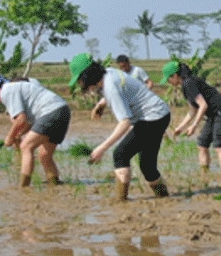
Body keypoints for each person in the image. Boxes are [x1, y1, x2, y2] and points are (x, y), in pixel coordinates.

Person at [69, 53, 172, 201]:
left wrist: (101, 148)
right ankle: (164, 198)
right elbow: (121, 90)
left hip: (152, 118)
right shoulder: (109, 73)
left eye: (79, 80)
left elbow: (125, 122)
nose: (80, 84)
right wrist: (101, 104)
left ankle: (120, 202)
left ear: (87, 76)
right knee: (147, 166)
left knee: (120, 154)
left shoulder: (110, 86)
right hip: (161, 114)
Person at [0, 71, 71, 187]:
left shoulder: (6, 91)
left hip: (50, 112)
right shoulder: (13, 88)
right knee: (44, 154)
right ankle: (54, 183)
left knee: (26, 147)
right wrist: (18, 134)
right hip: (62, 110)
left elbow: (20, 119)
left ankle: (23, 187)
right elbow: (27, 122)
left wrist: (10, 136)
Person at [164, 60, 221, 174]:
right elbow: (192, 110)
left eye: (169, 79)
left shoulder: (189, 83)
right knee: (202, 145)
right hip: (212, 114)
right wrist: (180, 127)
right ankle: (204, 174)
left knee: (218, 146)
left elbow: (203, 105)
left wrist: (194, 125)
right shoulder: (184, 86)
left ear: (175, 76)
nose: (169, 82)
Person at [92, 55, 152, 119]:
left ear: (129, 62)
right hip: (129, 99)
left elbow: (149, 83)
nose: (123, 69)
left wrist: (144, 92)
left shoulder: (138, 70)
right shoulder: (120, 74)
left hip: (140, 98)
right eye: (121, 67)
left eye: (124, 66)